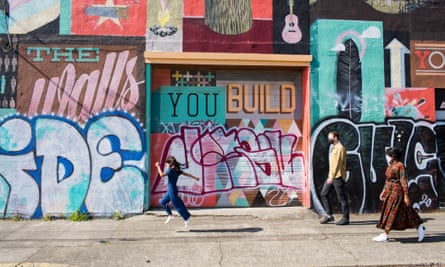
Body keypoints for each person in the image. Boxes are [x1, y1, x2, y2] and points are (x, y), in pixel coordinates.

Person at [373, 147, 425, 242]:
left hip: (397, 191)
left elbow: (403, 180)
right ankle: (419, 226)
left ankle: (385, 233)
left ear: (392, 156)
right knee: (405, 211)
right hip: (390, 191)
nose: (387, 157)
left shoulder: (400, 166)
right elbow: (387, 180)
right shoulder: (390, 166)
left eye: (388, 155)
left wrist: (406, 195)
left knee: (392, 212)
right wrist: (383, 191)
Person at [155, 156, 200, 228]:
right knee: (162, 202)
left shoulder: (170, 171)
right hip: (171, 190)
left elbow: (161, 175)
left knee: (177, 206)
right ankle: (170, 215)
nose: (166, 165)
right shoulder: (176, 170)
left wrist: (158, 166)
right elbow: (187, 174)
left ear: (170, 164)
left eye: (166, 164)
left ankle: (186, 218)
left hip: (172, 190)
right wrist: (195, 177)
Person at [319, 131, 350, 225]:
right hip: (332, 176)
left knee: (342, 198)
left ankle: (346, 218)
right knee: (324, 194)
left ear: (335, 137)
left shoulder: (340, 148)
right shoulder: (333, 148)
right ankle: (329, 215)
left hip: (337, 176)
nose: (329, 139)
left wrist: (331, 177)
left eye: (330, 137)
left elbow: (337, 164)